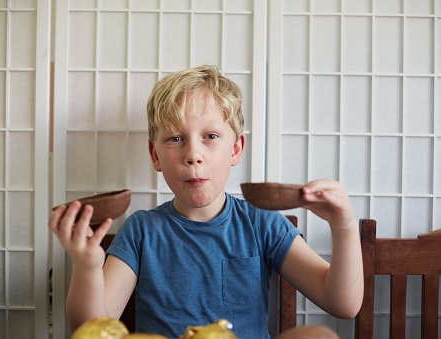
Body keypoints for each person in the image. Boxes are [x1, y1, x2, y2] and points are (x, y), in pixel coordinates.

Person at [49, 65, 364, 338]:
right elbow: (91, 329)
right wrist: (87, 265)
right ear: (155, 155)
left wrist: (344, 226)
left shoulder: (262, 224)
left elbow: (343, 304)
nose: (193, 155)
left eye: (210, 137)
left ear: (236, 149)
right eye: (175, 139)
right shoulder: (142, 231)